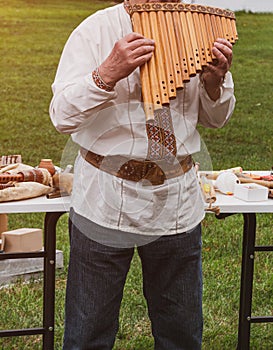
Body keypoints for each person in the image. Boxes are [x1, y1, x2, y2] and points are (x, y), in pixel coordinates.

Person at [49, 0, 235, 348]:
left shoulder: (199, 28)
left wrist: (215, 82)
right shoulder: (95, 30)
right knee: (88, 333)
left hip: (176, 201)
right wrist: (105, 74)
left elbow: (216, 118)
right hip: (104, 197)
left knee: (180, 332)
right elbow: (61, 115)